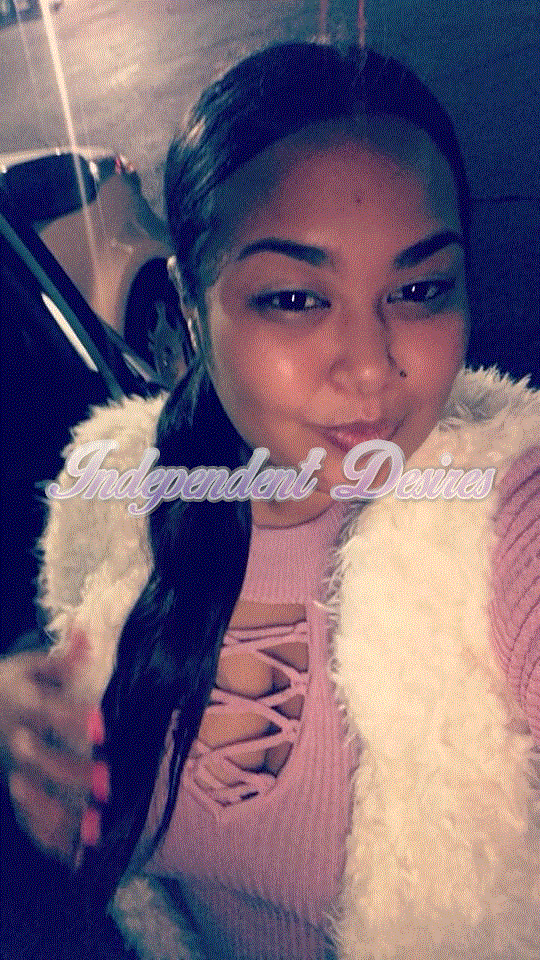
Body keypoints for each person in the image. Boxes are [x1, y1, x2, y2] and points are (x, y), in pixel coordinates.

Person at [1, 41, 539, 960]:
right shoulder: (121, 488)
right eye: (294, 298)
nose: (370, 367)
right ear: (190, 307)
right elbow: (67, 629)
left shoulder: (498, 510)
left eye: (418, 289)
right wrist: (17, 695)